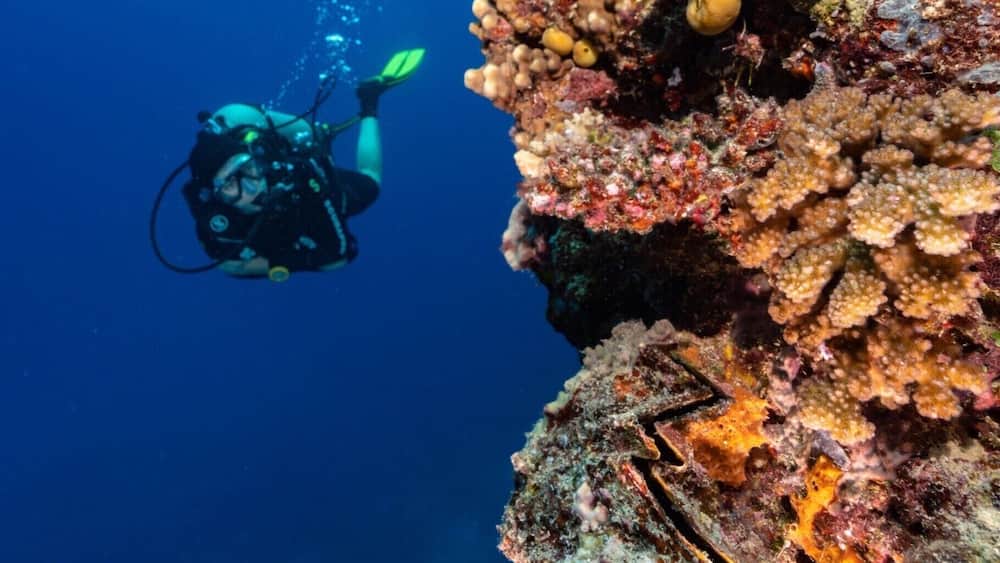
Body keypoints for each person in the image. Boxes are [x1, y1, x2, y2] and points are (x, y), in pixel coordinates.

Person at [151, 49, 424, 282]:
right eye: (231, 186)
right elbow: (227, 265)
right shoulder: (215, 220)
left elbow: (339, 255)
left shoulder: (299, 180)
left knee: (369, 182)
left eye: (247, 171)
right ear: (216, 195)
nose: (251, 189)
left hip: (294, 165)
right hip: (264, 207)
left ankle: (369, 102)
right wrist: (287, 263)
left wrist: (313, 178)